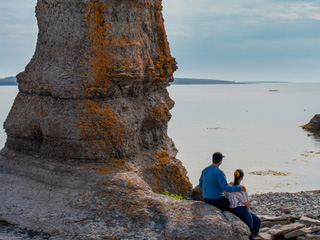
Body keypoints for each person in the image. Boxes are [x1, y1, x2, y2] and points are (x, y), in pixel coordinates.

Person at [225, 169, 261, 240]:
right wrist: (247, 209)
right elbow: (246, 203)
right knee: (251, 226)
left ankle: (254, 237)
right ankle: (252, 238)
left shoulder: (228, 187)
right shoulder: (242, 188)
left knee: (257, 221)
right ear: (242, 177)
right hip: (241, 209)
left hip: (232, 208)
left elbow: (225, 196)